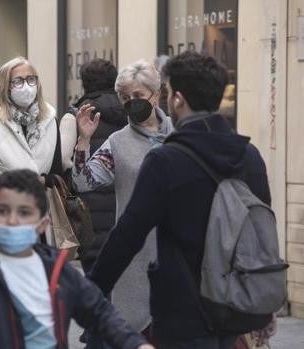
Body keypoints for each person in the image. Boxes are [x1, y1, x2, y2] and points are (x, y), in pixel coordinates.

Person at [89, 51, 272, 348]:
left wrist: (91, 291)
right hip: (237, 306)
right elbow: (262, 234)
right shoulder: (249, 156)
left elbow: (128, 235)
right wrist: (265, 304)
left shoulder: (166, 160)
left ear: (176, 99)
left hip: (184, 312)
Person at [0, 169, 153, 349]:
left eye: (24, 213)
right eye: (2, 211)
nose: (12, 220)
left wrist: (135, 343)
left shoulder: (58, 271)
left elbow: (99, 312)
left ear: (43, 224)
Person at [72, 60, 173, 341]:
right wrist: (83, 141)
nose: (132, 103)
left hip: (175, 252)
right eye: (126, 98)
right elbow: (84, 181)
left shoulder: (179, 137)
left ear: (157, 94)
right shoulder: (117, 142)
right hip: (135, 258)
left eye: (138, 96)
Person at [59, 59, 127, 271]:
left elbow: (62, 160)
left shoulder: (76, 115)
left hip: (88, 215)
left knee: (95, 284)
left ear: (84, 83)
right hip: (123, 211)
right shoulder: (130, 113)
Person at [0, 56, 62, 214]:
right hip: (0, 221)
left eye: (31, 79)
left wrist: (43, 180)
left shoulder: (50, 122)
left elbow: (57, 173)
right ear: (6, 87)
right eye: (18, 81)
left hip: (40, 220)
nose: (26, 86)